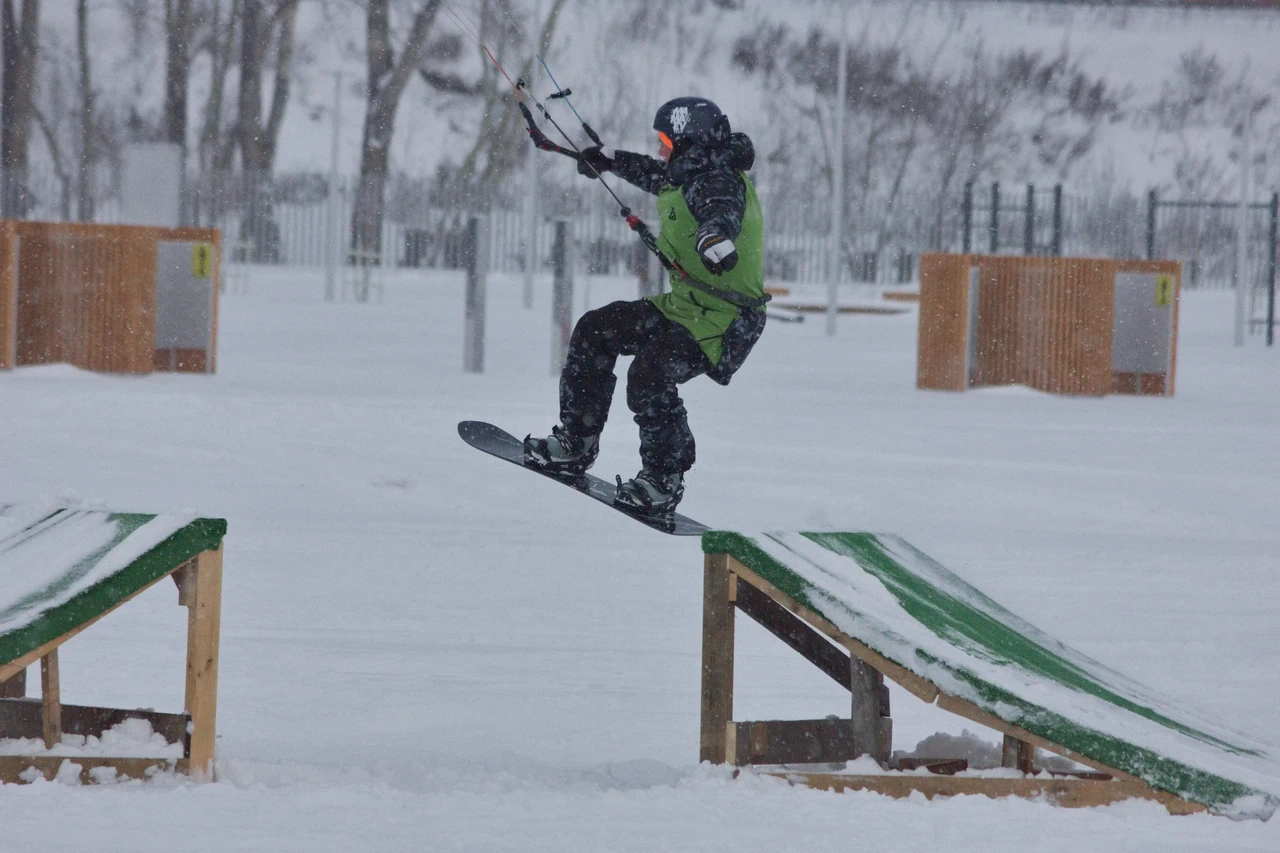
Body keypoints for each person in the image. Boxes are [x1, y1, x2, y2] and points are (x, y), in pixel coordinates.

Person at [524, 97, 767, 515]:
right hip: (684, 306)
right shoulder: (689, 173)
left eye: (665, 141)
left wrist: (713, 236)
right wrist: (611, 161)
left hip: (725, 319)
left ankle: (664, 479)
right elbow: (658, 175)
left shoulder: (719, 180)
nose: (660, 150)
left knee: (650, 373)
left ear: (688, 142)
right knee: (596, 329)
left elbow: (720, 209)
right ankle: (576, 441)